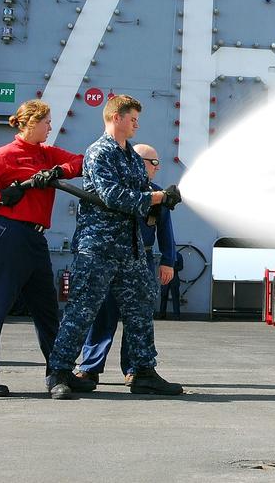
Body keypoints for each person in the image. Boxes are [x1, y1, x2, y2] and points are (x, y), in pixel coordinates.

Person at [46, 95, 182, 399]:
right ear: (116, 117)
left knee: (140, 310)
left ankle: (143, 371)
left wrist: (158, 199)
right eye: (132, 118)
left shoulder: (132, 157)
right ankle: (59, 372)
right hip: (99, 248)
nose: (136, 124)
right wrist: (157, 198)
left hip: (130, 249)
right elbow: (112, 196)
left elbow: (138, 193)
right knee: (82, 310)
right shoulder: (99, 153)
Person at [0, 99, 92, 397]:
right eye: (46, 122)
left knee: (47, 311)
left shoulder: (46, 154)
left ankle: (59, 373)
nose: (50, 127)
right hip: (8, 235)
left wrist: (56, 172)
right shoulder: (6, 155)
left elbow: (82, 163)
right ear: (31, 123)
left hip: (34, 239)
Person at [74, 144, 177, 387]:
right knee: (102, 313)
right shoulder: (115, 191)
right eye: (153, 162)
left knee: (138, 318)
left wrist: (168, 262)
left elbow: (166, 232)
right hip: (111, 260)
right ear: (139, 162)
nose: (157, 167)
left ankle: (133, 369)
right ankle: (90, 367)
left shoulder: (159, 195)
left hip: (142, 260)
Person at [159, 250, 183, 320]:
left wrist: (171, 268)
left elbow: (181, 267)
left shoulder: (178, 256)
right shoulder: (164, 255)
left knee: (175, 297)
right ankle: (162, 315)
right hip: (165, 278)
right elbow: (160, 265)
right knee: (163, 296)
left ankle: (176, 315)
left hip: (174, 278)